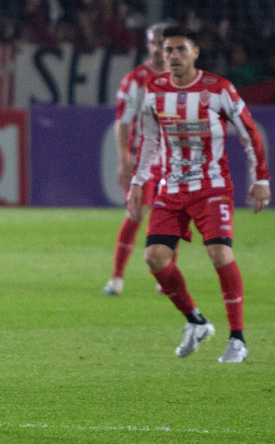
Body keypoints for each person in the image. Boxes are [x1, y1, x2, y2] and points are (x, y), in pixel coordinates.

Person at [128, 26, 270, 363]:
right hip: (172, 188)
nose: (172, 55)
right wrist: (138, 181)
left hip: (212, 187)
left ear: (196, 52)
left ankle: (237, 339)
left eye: (180, 49)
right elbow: (149, 141)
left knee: (220, 253)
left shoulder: (219, 89)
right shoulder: (154, 91)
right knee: (155, 257)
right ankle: (195, 321)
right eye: (167, 50)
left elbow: (250, 133)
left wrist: (261, 178)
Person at [104, 22, 169, 295]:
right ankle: (117, 278)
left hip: (173, 159)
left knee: (169, 216)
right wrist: (123, 158)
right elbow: (122, 122)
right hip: (144, 157)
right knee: (135, 214)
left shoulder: (183, 78)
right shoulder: (136, 80)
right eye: (153, 43)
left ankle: (165, 280)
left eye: (162, 44)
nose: (157, 49)